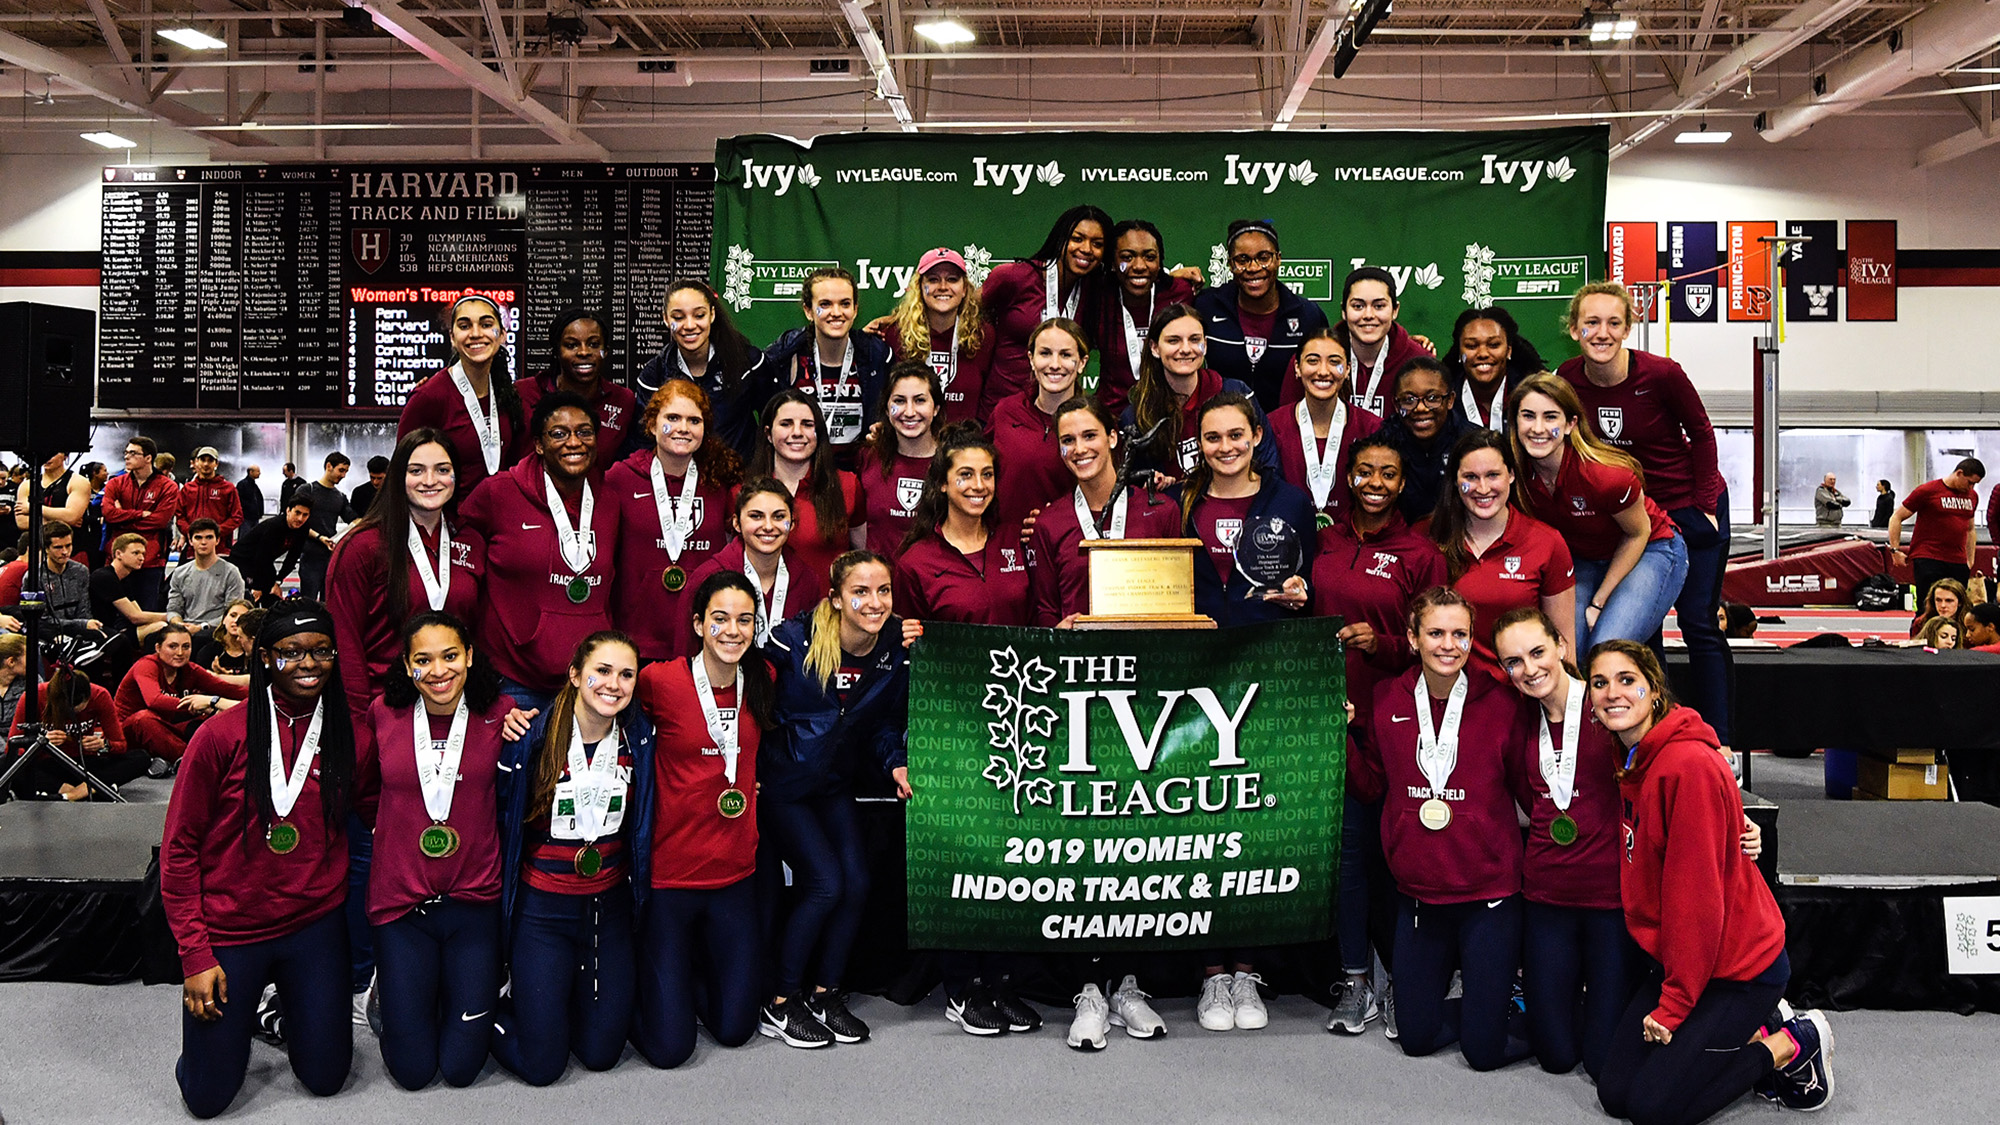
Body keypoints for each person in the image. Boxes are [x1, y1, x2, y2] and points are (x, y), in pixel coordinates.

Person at [1590, 640, 1835, 1122]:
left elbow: (1695, 904)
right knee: (1613, 1092)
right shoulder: (1634, 757)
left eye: (1626, 680)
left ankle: (1789, 1042)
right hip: (1683, 960)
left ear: (1654, 690)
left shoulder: (1686, 767)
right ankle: (1745, 1032)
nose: (1612, 693)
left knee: (1651, 1108)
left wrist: (1673, 1006)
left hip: (1737, 970)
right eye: (1600, 683)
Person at [162, 601, 358, 1119]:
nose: (308, 663)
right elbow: (179, 852)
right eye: (290, 652)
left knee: (326, 1078)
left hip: (313, 924)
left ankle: (273, 1010)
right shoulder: (219, 737)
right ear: (265, 657)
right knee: (206, 1099)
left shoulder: (346, 733)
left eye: (320, 651)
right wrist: (196, 957)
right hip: (232, 929)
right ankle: (246, 1012)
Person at [1353, 586, 1531, 1072]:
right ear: (1412, 638)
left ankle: (1517, 1009)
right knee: (1415, 1038)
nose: (1448, 645)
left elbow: (1531, 792)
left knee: (1482, 1053)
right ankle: (1478, 1009)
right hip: (1419, 896)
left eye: (1460, 634)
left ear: (1473, 640)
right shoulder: (1386, 697)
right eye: (1435, 633)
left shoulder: (1502, 703)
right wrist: (1339, 735)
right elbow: (1371, 786)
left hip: (1488, 895)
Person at [1557, 281, 1733, 754]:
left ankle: (1719, 741)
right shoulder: (1566, 379)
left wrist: (1705, 507)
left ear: (1628, 327)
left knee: (1699, 623)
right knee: (1641, 632)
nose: (1602, 332)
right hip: (1630, 518)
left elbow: (1701, 434)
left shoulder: (1662, 374)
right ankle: (1656, 738)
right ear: (1574, 329)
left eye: (1614, 323)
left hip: (1686, 505)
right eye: (1591, 322)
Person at [1312, 433, 1446, 1035]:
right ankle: (1356, 981)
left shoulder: (1420, 553)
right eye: (1363, 471)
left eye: (1387, 474)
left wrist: (1384, 643)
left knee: (1393, 857)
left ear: (1401, 483)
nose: (1374, 482)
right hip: (1327, 720)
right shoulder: (1324, 540)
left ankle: (1402, 978)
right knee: (1347, 856)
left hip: (1394, 720)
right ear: (1348, 475)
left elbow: (1439, 645)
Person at [358, 612, 526, 1090]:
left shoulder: (501, 712)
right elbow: (366, 790)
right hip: (400, 905)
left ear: (470, 657)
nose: (438, 671)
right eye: (423, 660)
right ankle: (389, 994)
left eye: (450, 656)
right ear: (407, 666)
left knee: (459, 1069)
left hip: (473, 904)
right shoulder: (383, 713)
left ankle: (432, 993)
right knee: (412, 1072)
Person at [760, 551, 912, 1047]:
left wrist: (894, 761)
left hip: (834, 785)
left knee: (858, 883)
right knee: (825, 884)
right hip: (783, 787)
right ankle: (780, 1001)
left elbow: (885, 722)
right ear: (836, 598)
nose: (874, 602)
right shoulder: (790, 639)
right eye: (861, 592)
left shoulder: (893, 647)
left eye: (883, 590)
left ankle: (826, 992)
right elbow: (746, 695)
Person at [493, 632, 653, 1086]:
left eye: (626, 674)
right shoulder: (531, 736)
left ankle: (555, 1002)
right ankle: (492, 1007)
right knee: (543, 1066)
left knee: (601, 1053)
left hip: (608, 910)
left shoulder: (639, 738)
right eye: (602, 671)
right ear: (575, 675)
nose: (613, 684)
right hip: (543, 911)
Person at [631, 572, 775, 1066]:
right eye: (719, 619)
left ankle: (681, 979)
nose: (733, 630)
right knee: (671, 1050)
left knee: (736, 1029)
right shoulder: (659, 681)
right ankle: (651, 988)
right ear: (697, 624)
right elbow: (596, 700)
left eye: (744, 620)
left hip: (735, 875)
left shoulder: (764, 679)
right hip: (673, 877)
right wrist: (513, 715)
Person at [1492, 609, 1627, 1079]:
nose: (1529, 670)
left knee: (1602, 1061)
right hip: (1547, 899)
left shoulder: (1608, 705)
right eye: (1513, 662)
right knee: (1555, 1057)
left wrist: (1737, 824)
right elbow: (1528, 797)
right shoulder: (1516, 722)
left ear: (1562, 647)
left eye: (1537, 652)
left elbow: (1678, 738)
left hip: (1612, 902)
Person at [459, 390, 621, 714]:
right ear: (538, 444)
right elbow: (461, 566)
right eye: (559, 433)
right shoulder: (498, 493)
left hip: (589, 681)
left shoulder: (611, 502)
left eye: (584, 432)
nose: (574, 442)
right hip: (515, 684)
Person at [1508, 374, 1685, 652]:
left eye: (1551, 417)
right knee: (1566, 648)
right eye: (1528, 416)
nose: (1538, 428)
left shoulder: (1606, 476)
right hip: (1585, 558)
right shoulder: (1514, 473)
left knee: (1606, 648)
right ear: (1515, 422)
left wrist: (1598, 602)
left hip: (1649, 547)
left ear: (1570, 424)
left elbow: (1638, 533)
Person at [327, 427, 485, 733]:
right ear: (398, 476)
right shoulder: (362, 546)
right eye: (416, 470)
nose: (430, 481)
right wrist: (360, 724)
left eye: (442, 470)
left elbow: (478, 632)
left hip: (456, 710)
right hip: (384, 711)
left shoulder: (470, 541)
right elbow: (344, 643)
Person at [607, 379, 741, 663]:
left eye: (694, 420)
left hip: (703, 639)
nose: (683, 428)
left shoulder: (719, 482)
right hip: (636, 639)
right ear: (653, 425)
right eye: (672, 418)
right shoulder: (620, 478)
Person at [1027, 397, 1184, 627]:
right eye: (1068, 440)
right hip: (1079, 659)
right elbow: (1047, 611)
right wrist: (1057, 634)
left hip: (1147, 657)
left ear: (1112, 438)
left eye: (1090, 436)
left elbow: (1178, 603)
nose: (1079, 449)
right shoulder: (1048, 524)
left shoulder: (1161, 511)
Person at [1432, 430, 1577, 680]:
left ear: (1510, 475)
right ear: (1454, 480)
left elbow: (1563, 646)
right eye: (1470, 477)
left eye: (1493, 475)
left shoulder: (1546, 542)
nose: (1483, 488)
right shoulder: (1428, 537)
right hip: (1445, 695)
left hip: (1519, 696)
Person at [1177, 391, 1314, 630]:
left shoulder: (1292, 503)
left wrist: (1302, 590)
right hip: (1195, 653)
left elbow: (1309, 581)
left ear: (1257, 435)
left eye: (1236, 435)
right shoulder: (1177, 504)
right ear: (1199, 443)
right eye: (1213, 438)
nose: (1226, 447)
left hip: (1267, 652)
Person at [979, 205, 1113, 416]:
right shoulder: (1014, 277)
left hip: (1060, 416)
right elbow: (965, 312)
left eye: (1097, 244)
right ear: (1060, 238)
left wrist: (1179, 276)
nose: (1087, 249)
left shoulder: (1097, 293)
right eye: (1077, 239)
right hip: (999, 413)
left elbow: (1148, 283)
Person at [894, 426, 1031, 627]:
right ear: (942, 483)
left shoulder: (1015, 540)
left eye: (987, 474)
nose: (979, 485)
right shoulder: (915, 563)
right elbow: (910, 644)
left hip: (1017, 659)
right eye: (966, 475)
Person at [1121, 303, 1275, 481]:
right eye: (1173, 341)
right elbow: (1131, 484)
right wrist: (1153, 485)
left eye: (1195, 340)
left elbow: (1268, 464)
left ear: (1206, 345)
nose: (1186, 349)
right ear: (1155, 348)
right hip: (1173, 506)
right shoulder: (1136, 417)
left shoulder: (1237, 394)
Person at [397, 294, 527, 496]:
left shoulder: (505, 393)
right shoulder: (430, 396)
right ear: (452, 337)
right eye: (464, 326)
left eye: (486, 324)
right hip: (451, 521)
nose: (475, 333)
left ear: (502, 334)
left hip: (496, 518)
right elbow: (402, 470)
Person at [1195, 218, 1329, 411]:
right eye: (1242, 260)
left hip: (1287, 432)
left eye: (1263, 257)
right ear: (1230, 264)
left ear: (1278, 259)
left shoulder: (1308, 315)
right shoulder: (1206, 306)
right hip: (1224, 432)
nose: (1253, 268)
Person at [764, 267, 893, 465]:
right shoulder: (785, 357)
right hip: (801, 472)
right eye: (825, 304)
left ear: (855, 309)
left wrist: (881, 432)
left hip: (857, 474)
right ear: (808, 310)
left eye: (845, 304)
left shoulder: (875, 355)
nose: (836, 313)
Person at [635, 278, 776, 456]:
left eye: (699, 315)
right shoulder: (654, 376)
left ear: (712, 314)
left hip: (740, 477)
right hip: (677, 478)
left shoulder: (748, 363)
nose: (689, 325)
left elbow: (774, 421)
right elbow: (642, 442)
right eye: (678, 317)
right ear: (665, 319)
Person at [686, 478, 829, 648]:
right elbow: (687, 653)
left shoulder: (807, 580)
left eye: (779, 517)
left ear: (792, 524)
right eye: (756, 516)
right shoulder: (707, 577)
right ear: (737, 523)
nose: (768, 526)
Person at [745, 390, 860, 588]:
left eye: (807, 424)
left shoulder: (847, 486)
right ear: (768, 434)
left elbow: (863, 556)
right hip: (758, 613)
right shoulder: (743, 491)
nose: (797, 432)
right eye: (786, 424)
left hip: (826, 614)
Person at [1272, 325, 1383, 530]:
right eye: (1312, 361)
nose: (1323, 371)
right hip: (1287, 548)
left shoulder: (1372, 428)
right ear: (1297, 368)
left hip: (1353, 548)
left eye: (1334, 362)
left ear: (1348, 369)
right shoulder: (1273, 426)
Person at [991, 318, 1093, 532]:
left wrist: (1056, 521)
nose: (1054, 364)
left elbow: (1103, 496)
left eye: (1065, 355)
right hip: (1002, 546)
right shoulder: (1005, 412)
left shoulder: (1095, 423)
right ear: (1031, 359)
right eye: (1045, 353)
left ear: (1082, 363)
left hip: (1064, 543)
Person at [1094, 220, 1198, 415]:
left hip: (1171, 415)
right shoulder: (1098, 296)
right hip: (1112, 417)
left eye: (1149, 257)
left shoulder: (1180, 293)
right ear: (1113, 262)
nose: (1139, 266)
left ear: (1160, 262)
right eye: (1127, 257)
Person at [517, 309, 641, 472]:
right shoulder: (524, 393)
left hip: (595, 495)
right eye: (572, 345)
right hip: (530, 494)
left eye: (594, 344)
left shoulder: (623, 400)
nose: (584, 352)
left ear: (607, 351)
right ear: (557, 351)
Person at [879, 248, 994, 423]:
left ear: (964, 289)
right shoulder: (895, 333)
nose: (942, 287)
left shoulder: (983, 335)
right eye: (933, 280)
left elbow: (991, 397)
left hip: (964, 445)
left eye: (952, 279)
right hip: (911, 442)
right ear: (919, 287)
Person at [115, 622, 249, 768]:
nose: (180, 653)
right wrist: (196, 704)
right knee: (143, 719)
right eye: (172, 646)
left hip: (166, 728)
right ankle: (195, 762)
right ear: (158, 648)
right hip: (129, 732)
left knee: (212, 719)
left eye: (186, 647)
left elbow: (229, 689)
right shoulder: (146, 666)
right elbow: (154, 700)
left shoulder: (190, 670)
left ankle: (222, 758)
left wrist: (266, 695)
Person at [853, 361, 945, 560]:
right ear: (886, 409)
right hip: (879, 585)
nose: (909, 412)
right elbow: (857, 528)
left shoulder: (951, 463)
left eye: (920, 400)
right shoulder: (867, 457)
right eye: (899, 401)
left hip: (933, 585)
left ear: (936, 408)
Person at [6, 660, 135, 800]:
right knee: (5, 764)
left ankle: (70, 795)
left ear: (88, 698)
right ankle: (90, 790)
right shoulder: (35, 696)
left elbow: (120, 745)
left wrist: (103, 746)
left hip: (85, 763)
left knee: (140, 758)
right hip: (47, 764)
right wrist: (41, 744)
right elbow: (12, 748)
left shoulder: (100, 695)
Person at [1377, 357, 1477, 522]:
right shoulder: (1383, 442)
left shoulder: (1473, 443)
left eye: (1432, 398)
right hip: (1402, 541)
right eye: (1409, 400)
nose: (1421, 408)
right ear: (1396, 404)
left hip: (1464, 536)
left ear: (1450, 400)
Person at [1887, 457, 1984, 611]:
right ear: (1959, 473)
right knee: (1928, 608)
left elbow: (1970, 529)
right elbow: (1896, 517)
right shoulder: (1928, 491)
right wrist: (1895, 550)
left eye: (1975, 484)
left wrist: (1970, 560)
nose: (1971, 487)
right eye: (1970, 482)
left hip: (1957, 560)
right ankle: (1921, 634)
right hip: (1929, 558)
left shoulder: (1972, 497)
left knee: (1956, 609)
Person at [1340, 267, 1435, 417]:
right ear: (1344, 311)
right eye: (1358, 306)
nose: (1368, 315)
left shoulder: (1419, 360)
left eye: (1379, 306)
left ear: (1395, 310)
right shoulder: (1320, 359)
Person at [102, 435, 181, 612]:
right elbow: (108, 514)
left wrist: (123, 518)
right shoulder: (115, 483)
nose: (126, 456)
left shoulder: (168, 486)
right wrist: (139, 514)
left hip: (150, 560)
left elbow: (160, 521)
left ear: (148, 458)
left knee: (146, 613)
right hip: (118, 560)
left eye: (133, 453)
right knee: (113, 614)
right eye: (126, 452)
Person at [91, 532, 178, 677]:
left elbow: (139, 614)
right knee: (162, 628)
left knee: (168, 629)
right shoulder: (104, 576)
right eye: (136, 553)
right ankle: (151, 675)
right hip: (103, 630)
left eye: (143, 553)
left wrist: (174, 619)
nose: (141, 558)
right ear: (118, 554)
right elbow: (135, 617)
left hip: (121, 627)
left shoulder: (124, 578)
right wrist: (172, 616)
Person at [1443, 307, 1543, 432]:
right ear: (1459, 352)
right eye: (1471, 346)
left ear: (1508, 350)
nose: (1483, 354)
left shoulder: (1533, 394)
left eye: (1494, 345)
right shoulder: (1443, 398)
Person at [167, 520, 247, 635]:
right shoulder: (180, 573)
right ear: (190, 541)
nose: (203, 542)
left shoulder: (231, 572)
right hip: (185, 629)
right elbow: (173, 609)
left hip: (217, 630)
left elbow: (233, 613)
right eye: (198, 538)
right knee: (153, 637)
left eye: (209, 537)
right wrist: (179, 624)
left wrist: (201, 627)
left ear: (217, 540)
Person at [297, 453, 356, 602]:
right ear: (329, 466)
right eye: (341, 470)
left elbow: (353, 519)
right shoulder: (307, 490)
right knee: (308, 600)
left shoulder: (340, 497)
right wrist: (319, 537)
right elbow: (297, 523)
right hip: (310, 554)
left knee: (328, 601)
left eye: (346, 472)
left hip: (330, 555)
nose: (343, 475)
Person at [234, 499, 316, 605]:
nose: (300, 518)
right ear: (288, 511)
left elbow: (293, 556)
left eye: (305, 515)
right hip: (242, 559)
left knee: (272, 595)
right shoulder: (275, 526)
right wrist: (257, 586)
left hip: (264, 561)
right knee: (253, 597)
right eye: (297, 513)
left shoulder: (303, 528)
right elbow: (261, 556)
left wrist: (278, 580)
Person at [177, 448, 246, 553]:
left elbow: (237, 516)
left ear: (216, 464)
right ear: (196, 462)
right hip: (193, 548)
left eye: (210, 460)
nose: (206, 464)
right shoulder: (187, 489)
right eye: (202, 460)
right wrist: (191, 532)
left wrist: (216, 531)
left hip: (220, 548)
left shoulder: (228, 488)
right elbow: (179, 515)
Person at [15, 451, 91, 535]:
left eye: (53, 453)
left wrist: (33, 508)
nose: (48, 458)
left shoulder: (78, 482)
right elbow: (21, 522)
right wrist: (61, 519)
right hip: (38, 543)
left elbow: (71, 517)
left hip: (70, 542)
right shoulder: (27, 485)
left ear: (65, 456)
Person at [196, 599, 260, 676]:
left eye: (242, 618)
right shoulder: (208, 652)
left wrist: (221, 677)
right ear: (224, 619)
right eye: (233, 615)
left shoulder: (257, 653)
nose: (236, 620)